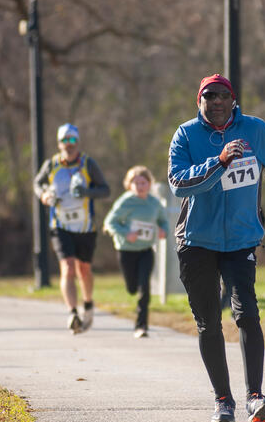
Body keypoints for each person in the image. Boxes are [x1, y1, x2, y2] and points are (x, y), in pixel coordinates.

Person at [168, 73, 265, 422]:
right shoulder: (186, 135)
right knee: (209, 322)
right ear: (199, 101)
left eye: (222, 96)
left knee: (247, 314)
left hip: (241, 239)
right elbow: (178, 184)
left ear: (233, 100)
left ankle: (255, 397)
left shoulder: (255, 130)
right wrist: (220, 161)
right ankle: (223, 400)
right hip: (196, 241)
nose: (215, 102)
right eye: (208, 96)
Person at [34, 123, 110, 334]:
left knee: (83, 269)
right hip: (60, 224)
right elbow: (37, 183)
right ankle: (72, 312)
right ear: (59, 143)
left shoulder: (88, 164)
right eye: (65, 140)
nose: (69, 144)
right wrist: (45, 195)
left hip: (85, 226)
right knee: (67, 267)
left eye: (72, 140)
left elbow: (105, 190)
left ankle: (87, 303)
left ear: (78, 141)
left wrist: (86, 192)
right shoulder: (51, 165)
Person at [103, 166, 168, 338]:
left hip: (146, 250)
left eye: (143, 182)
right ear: (129, 185)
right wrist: (126, 233)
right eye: (135, 183)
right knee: (132, 288)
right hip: (126, 250)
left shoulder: (154, 203)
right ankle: (134, 296)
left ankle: (141, 326)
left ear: (149, 184)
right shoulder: (125, 202)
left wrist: (164, 230)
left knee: (144, 288)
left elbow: (164, 220)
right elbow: (110, 222)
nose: (140, 186)